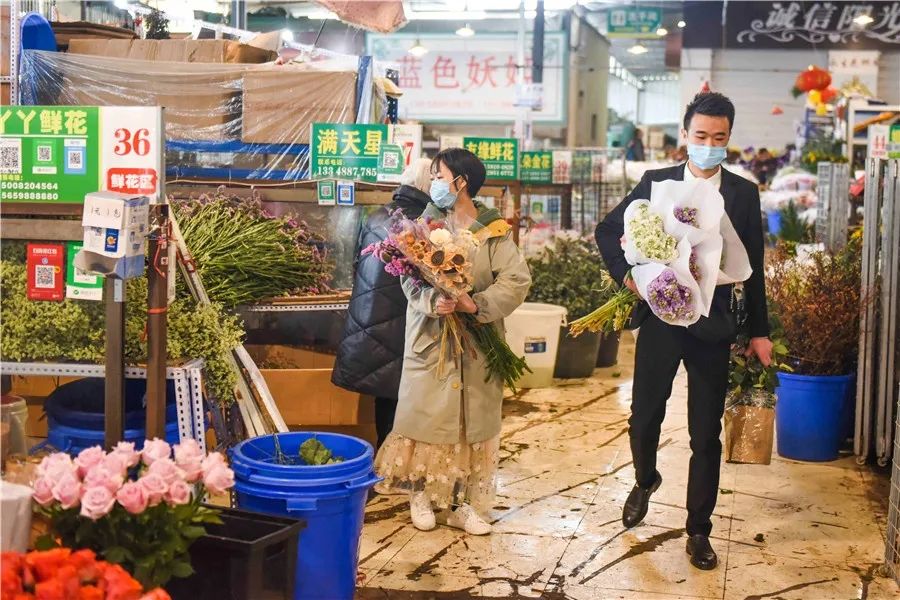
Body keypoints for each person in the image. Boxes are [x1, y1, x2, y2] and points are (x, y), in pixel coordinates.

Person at [595, 92, 772, 571]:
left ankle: (699, 529)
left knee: (704, 433)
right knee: (644, 414)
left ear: (728, 139)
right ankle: (645, 478)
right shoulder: (656, 183)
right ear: (685, 136)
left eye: (719, 138)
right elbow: (609, 231)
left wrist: (760, 331)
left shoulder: (742, 192)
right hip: (661, 319)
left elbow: (751, 267)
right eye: (701, 136)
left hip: (712, 324)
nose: (709, 145)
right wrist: (630, 277)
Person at [374, 148, 531, 535]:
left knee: (468, 424)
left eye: (440, 175)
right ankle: (421, 494)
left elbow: (516, 280)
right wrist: (434, 299)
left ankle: (460, 503)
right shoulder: (421, 226)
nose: (434, 183)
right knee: (427, 418)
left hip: (477, 340)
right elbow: (408, 278)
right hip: (431, 339)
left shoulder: (494, 230)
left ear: (461, 182)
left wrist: (475, 303)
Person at [332, 158, 433, 450]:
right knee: (406, 392)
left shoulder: (376, 215)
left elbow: (354, 263)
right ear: (428, 185)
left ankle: (384, 454)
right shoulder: (425, 223)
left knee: (385, 391)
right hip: (402, 320)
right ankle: (398, 462)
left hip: (371, 316)